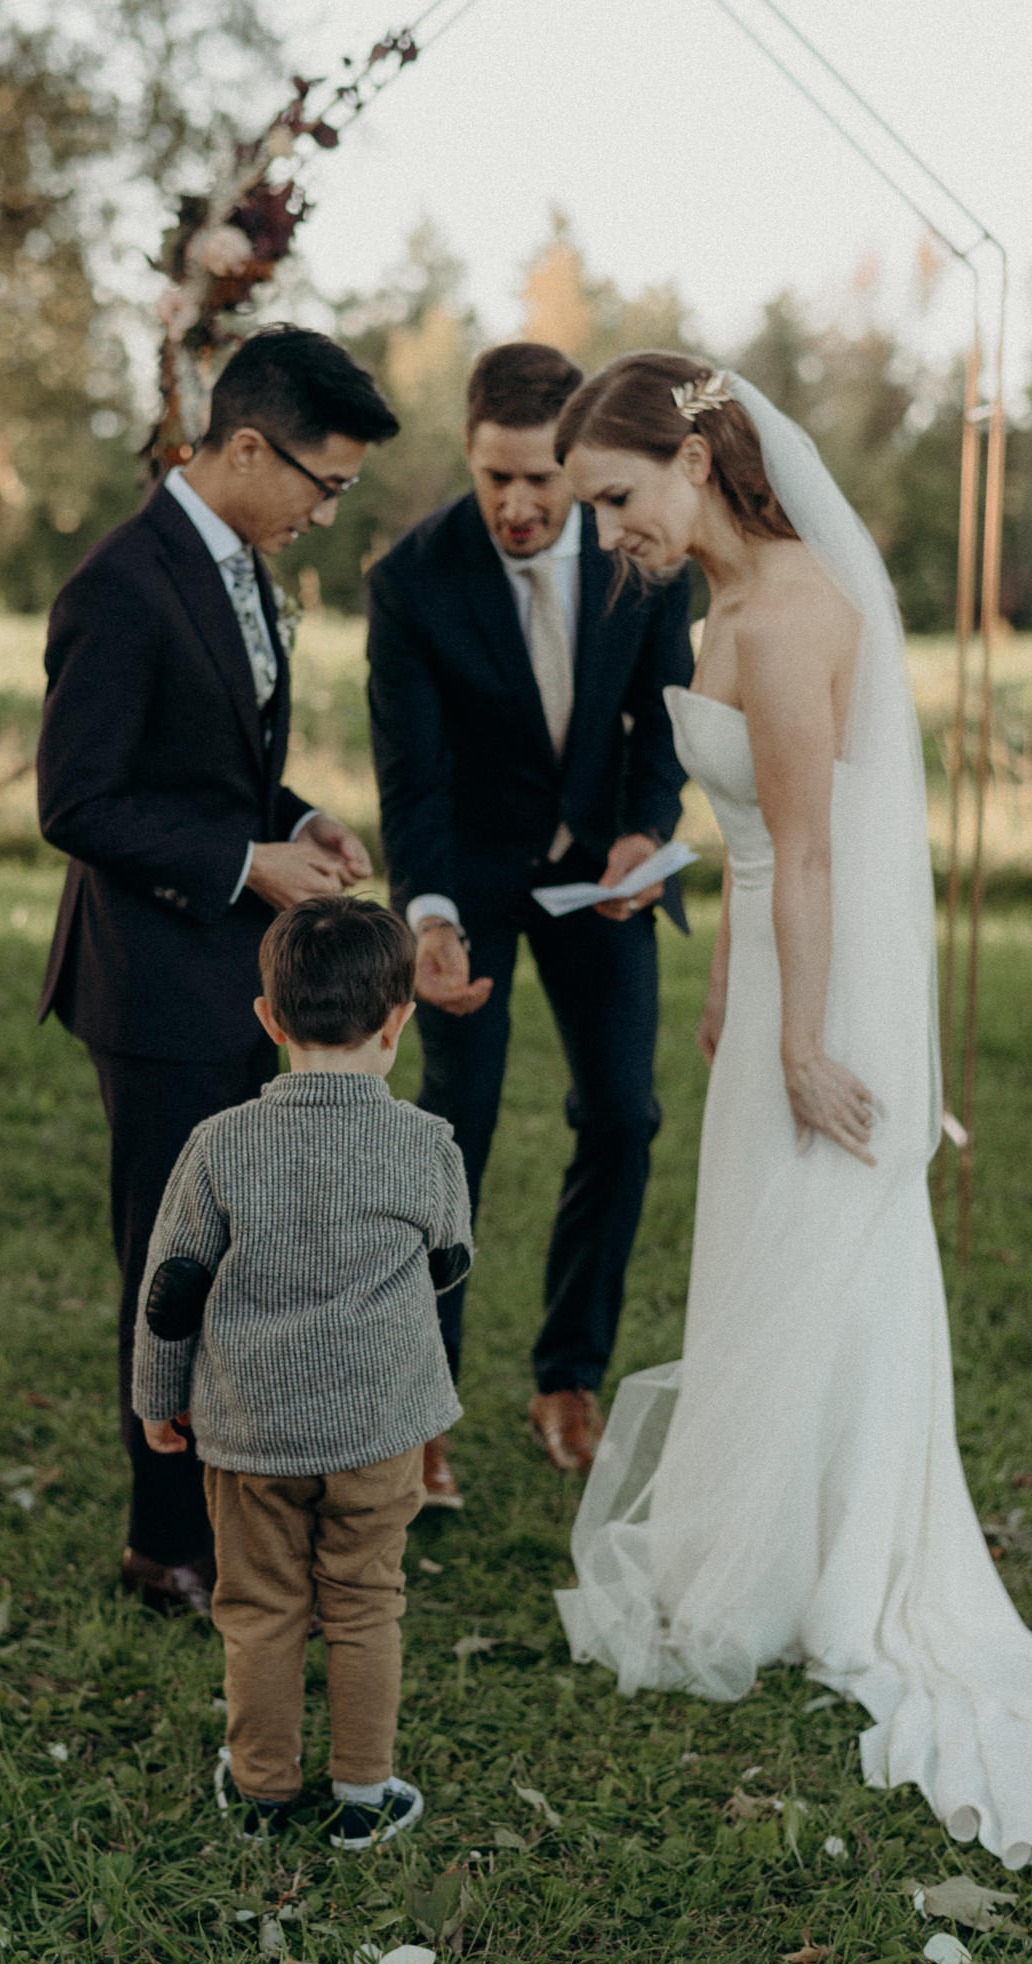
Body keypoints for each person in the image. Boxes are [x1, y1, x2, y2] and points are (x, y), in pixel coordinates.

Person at [552, 352, 1032, 1870]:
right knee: (772, 1254)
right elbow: (759, 850)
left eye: (616, 498)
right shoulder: (723, 609)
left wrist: (800, 1041)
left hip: (813, 982)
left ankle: (826, 1570)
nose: (607, 531)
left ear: (694, 460)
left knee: (820, 1245)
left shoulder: (779, 616)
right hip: (771, 964)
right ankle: (780, 1531)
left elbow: (813, 852)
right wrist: (727, 991)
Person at [37, 327, 399, 1619]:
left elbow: (216, 767)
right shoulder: (119, 586)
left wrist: (291, 821)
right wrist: (244, 866)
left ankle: (233, 1500)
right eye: (323, 481)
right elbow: (77, 803)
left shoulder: (240, 567)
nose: (325, 507)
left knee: (248, 1251)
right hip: (149, 986)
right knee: (170, 1261)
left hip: (228, 968)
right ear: (246, 448)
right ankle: (160, 1545)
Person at [366, 342, 690, 1509]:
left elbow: (664, 718)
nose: (514, 503)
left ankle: (567, 1381)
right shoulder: (410, 578)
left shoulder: (639, 552)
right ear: (468, 452)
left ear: (575, 466)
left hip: (604, 875)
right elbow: (412, 775)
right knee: (451, 1131)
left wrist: (647, 831)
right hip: (473, 884)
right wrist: (431, 916)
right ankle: (419, 1411)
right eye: (492, 475)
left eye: (538, 481)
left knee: (623, 1112)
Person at [132, 896, 471, 1847]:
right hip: (378, 1432)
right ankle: (364, 1793)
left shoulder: (220, 1146)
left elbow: (172, 1290)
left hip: (251, 1436)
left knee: (261, 1605)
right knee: (366, 1601)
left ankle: (261, 1787)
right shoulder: (424, 1145)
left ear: (268, 1020)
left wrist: (159, 1399)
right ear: (400, 1019)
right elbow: (451, 1260)